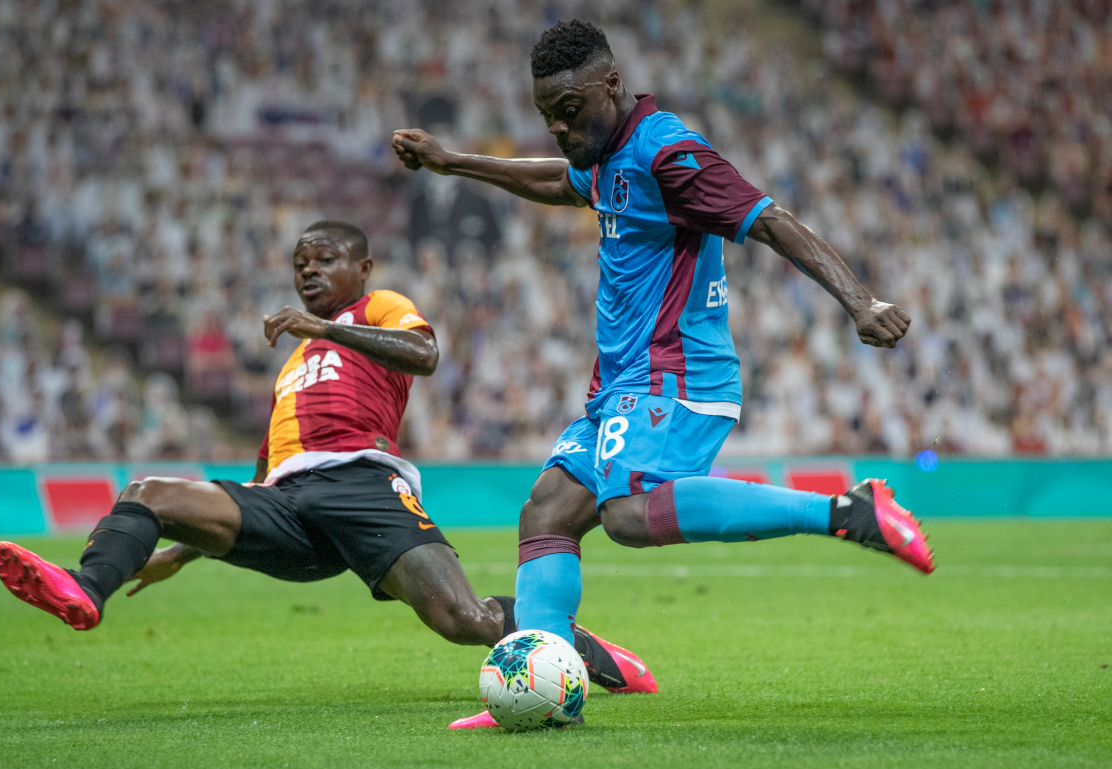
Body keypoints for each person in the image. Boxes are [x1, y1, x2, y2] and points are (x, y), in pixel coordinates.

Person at [392, 20, 934, 728]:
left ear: (611, 86)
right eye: (546, 115)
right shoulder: (601, 151)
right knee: (547, 512)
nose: (557, 127)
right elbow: (563, 182)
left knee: (627, 514)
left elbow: (771, 219)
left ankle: (844, 512)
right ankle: (546, 683)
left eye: (569, 110)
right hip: (621, 383)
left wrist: (861, 302)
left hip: (677, 375)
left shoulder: (668, 153)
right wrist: (453, 162)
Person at [0, 220, 655, 726]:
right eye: (299, 265)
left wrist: (325, 328)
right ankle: (87, 588)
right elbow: (259, 479)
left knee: (465, 620)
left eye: (324, 260)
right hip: (286, 506)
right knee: (149, 493)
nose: (308, 271)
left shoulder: (378, 308)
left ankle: (577, 647)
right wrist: (182, 552)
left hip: (364, 488)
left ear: (362, 268)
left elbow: (424, 354)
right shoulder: (293, 367)